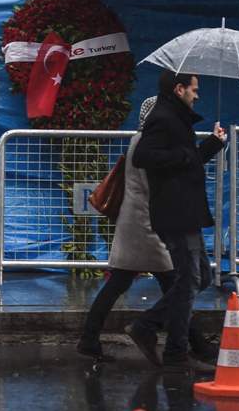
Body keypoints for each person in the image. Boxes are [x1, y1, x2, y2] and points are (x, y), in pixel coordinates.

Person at [76, 96, 214, 363]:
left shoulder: (140, 139)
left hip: (140, 224)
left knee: (137, 284)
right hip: (149, 226)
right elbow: (165, 182)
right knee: (180, 284)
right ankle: (191, 344)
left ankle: (90, 339)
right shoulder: (149, 142)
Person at [125, 71, 226, 373]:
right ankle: (175, 353)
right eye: (194, 89)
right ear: (179, 88)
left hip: (184, 209)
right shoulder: (164, 117)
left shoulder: (175, 117)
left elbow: (186, 159)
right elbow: (143, 156)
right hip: (176, 210)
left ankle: (148, 325)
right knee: (190, 279)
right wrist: (185, 156)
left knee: (200, 279)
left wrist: (211, 145)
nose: (197, 95)